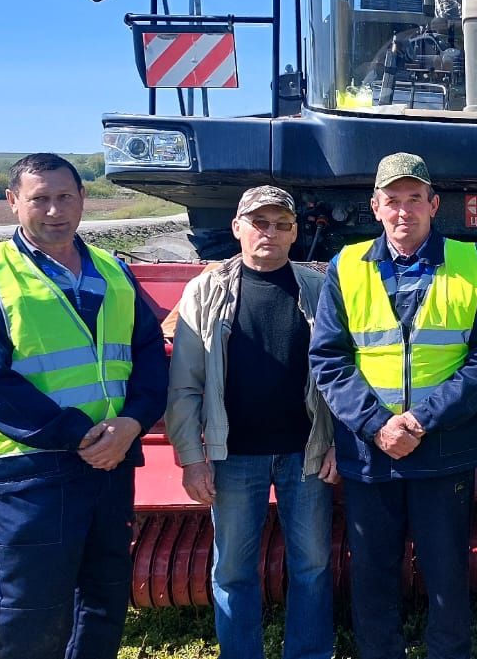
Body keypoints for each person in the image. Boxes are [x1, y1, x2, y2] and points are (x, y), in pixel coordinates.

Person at [0, 152, 169, 658]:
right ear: (12, 203)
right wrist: (77, 435)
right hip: (33, 467)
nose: (54, 210)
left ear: (82, 198)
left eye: (64, 196)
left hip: (110, 462)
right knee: (35, 603)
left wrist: (132, 423)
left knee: (104, 594)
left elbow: (148, 359)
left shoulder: (113, 271)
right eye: (39, 199)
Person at [309, 152, 477, 659]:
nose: (403, 211)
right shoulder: (345, 267)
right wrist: (378, 426)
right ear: (375, 207)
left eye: (413, 199)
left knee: (446, 578)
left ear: (434, 205)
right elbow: (329, 359)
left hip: (443, 451)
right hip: (370, 454)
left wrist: (419, 419)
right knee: (372, 578)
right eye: (392, 200)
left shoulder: (472, 264)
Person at [166, 186, 338, 659]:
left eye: (282, 225)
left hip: (306, 453)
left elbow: (338, 375)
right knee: (233, 570)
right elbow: (185, 384)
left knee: (313, 565)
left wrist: (338, 442)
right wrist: (191, 458)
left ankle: (308, 653)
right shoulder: (206, 290)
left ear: (296, 232)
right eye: (259, 222)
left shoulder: (317, 289)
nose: (271, 233)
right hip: (233, 455)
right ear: (237, 227)